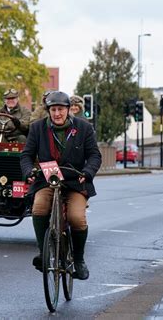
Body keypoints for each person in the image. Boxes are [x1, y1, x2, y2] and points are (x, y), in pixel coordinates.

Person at [20, 91, 102, 280]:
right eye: (53, 110)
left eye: (61, 109)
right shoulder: (38, 128)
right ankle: (43, 253)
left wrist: (88, 173)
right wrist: (29, 173)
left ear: (68, 110)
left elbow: (95, 156)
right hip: (47, 178)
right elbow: (26, 155)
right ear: (48, 110)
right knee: (39, 208)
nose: (57, 114)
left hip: (75, 179)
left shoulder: (83, 128)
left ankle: (79, 261)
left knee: (76, 218)